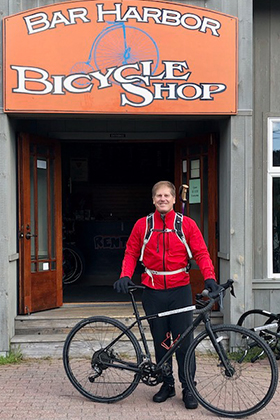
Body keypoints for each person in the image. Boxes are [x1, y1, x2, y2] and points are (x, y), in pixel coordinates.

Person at [113, 181, 219, 409]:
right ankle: (167, 384)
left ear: (173, 199)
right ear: (153, 200)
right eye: (158, 196)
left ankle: (189, 387)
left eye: (166, 196)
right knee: (161, 342)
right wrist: (125, 274)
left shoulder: (186, 225)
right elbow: (131, 251)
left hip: (179, 291)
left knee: (183, 343)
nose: (162, 199)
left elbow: (201, 252)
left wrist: (209, 277)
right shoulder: (143, 225)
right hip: (152, 292)